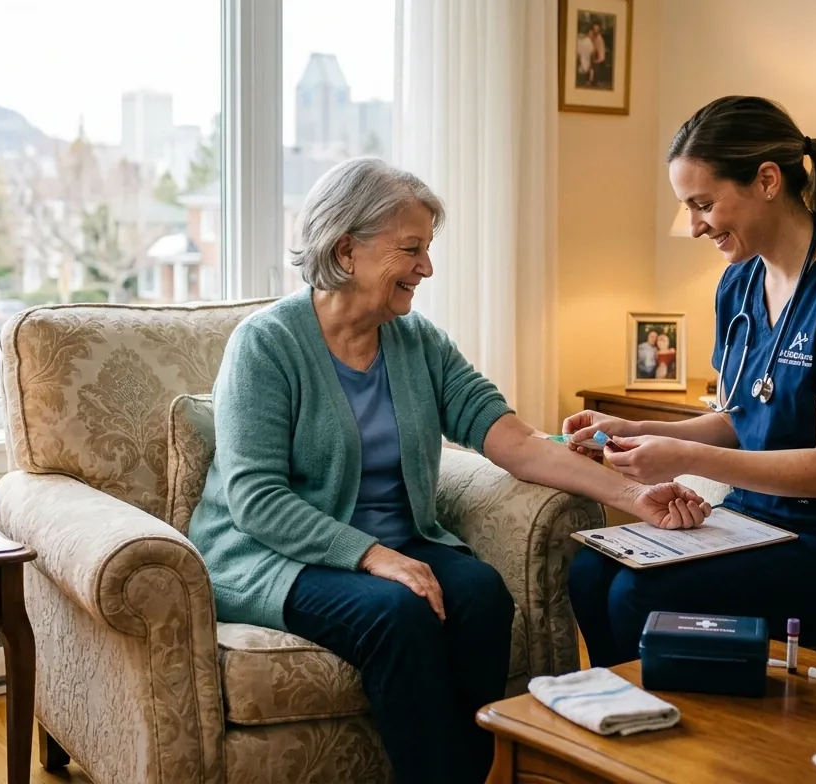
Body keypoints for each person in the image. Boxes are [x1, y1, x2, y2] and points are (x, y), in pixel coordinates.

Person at [189, 157, 713, 784]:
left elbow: (515, 442)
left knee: (480, 595)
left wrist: (638, 493)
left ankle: (477, 773)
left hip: (398, 542)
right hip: (273, 554)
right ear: (346, 249)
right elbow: (256, 499)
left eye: (427, 249)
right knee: (397, 614)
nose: (427, 268)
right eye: (410, 249)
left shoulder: (418, 343)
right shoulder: (266, 344)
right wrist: (374, 557)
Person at [563, 96, 816, 666]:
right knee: (591, 571)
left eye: (703, 204)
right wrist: (631, 427)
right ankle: (625, 730)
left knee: (642, 594)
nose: (693, 226)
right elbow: (741, 418)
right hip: (758, 521)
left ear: (765, 180)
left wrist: (683, 456)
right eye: (688, 207)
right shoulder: (737, 286)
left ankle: (668, 742)